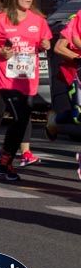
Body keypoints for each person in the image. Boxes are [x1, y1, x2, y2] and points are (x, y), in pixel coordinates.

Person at [0, 0, 52, 180]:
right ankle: (4, 158)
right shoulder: (0, 19)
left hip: (27, 78)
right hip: (5, 77)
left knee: (22, 120)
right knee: (16, 116)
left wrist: (45, 44)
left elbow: (44, 41)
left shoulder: (38, 21)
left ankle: (6, 158)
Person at [51, 10, 81, 178]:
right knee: (79, 115)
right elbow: (59, 47)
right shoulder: (78, 18)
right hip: (75, 73)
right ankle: (55, 120)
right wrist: (78, 59)